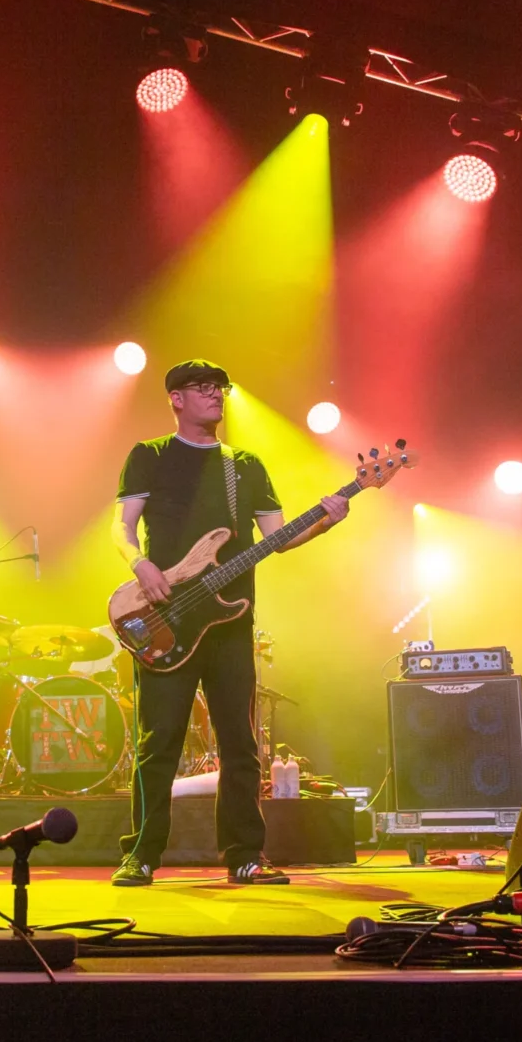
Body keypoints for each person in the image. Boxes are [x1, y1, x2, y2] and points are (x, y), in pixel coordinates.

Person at [109, 359, 347, 885]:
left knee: (239, 742)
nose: (215, 395)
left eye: (220, 388)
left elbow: (278, 538)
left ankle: (244, 854)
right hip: (166, 616)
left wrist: (327, 520)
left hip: (231, 622)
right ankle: (141, 855)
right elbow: (121, 527)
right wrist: (141, 564)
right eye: (202, 388)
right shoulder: (149, 456)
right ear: (176, 399)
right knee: (158, 740)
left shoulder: (245, 465)